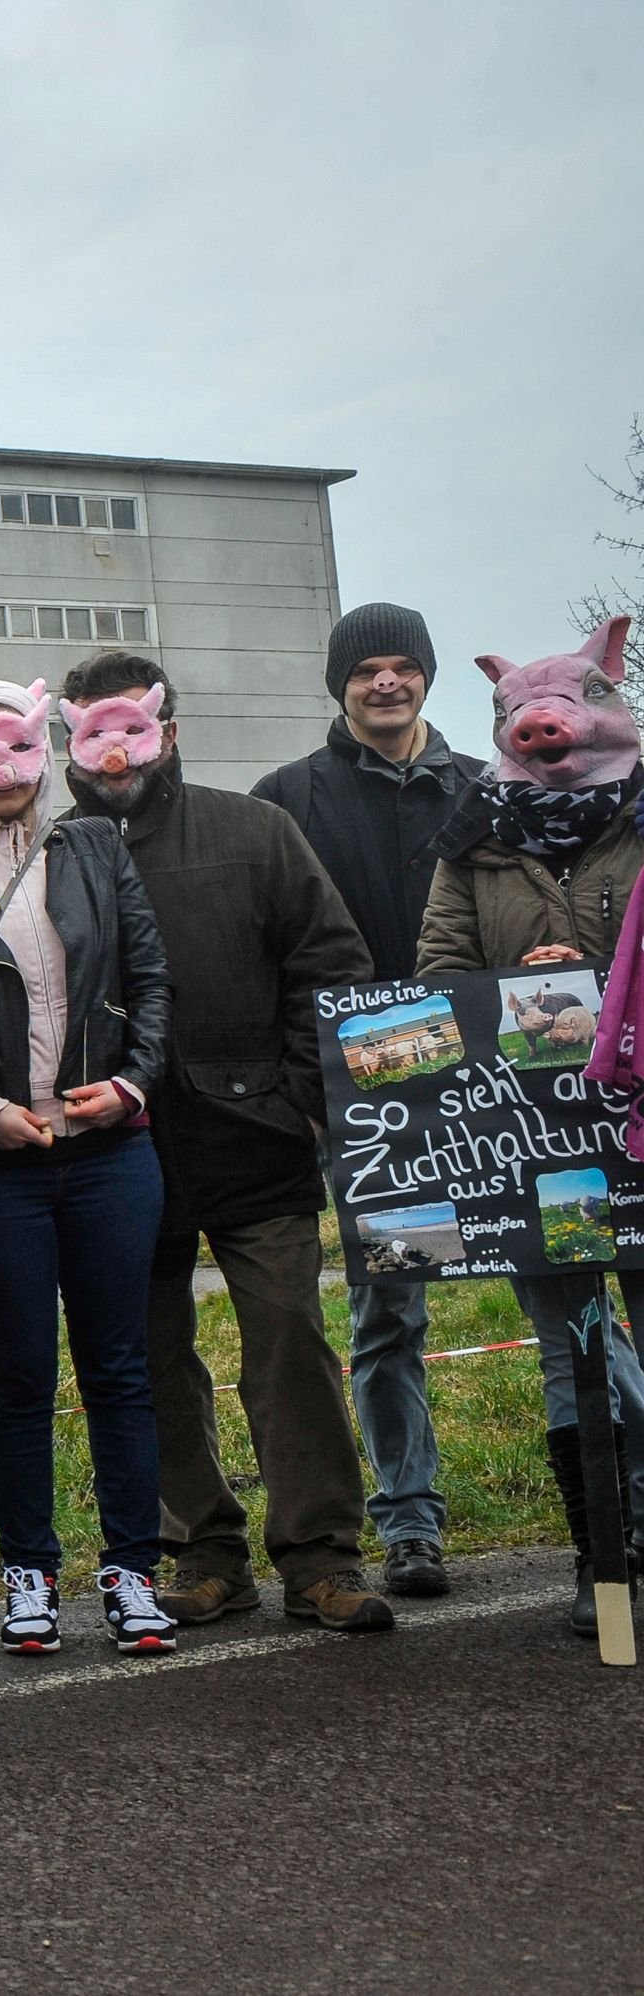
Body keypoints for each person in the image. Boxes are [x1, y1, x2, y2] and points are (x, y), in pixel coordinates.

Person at [55, 653, 392, 1634]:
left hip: (256, 1139)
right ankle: (203, 1552)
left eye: (133, 726)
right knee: (150, 1354)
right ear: (67, 737)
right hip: (112, 1152)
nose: (115, 751)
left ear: (169, 726)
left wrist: (294, 1096)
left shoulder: (256, 830)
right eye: (92, 730)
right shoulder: (49, 853)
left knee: (287, 1338)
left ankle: (324, 1553)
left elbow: (329, 966)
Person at [0, 679, 180, 1656]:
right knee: (19, 1376)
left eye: (18, 754)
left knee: (119, 1370)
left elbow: (148, 973)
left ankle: (134, 1570)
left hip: (110, 1153)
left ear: (44, 755)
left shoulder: (91, 846)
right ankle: (29, 1574)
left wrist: (134, 1085)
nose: (3, 776)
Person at [415, 614, 644, 1637]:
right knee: (570, 1350)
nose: (543, 729)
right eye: (520, 715)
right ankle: (605, 1557)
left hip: (636, 1135)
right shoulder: (474, 841)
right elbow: (438, 982)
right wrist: (517, 989)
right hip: (537, 1146)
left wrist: (598, 986)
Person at [253, 603, 485, 1598]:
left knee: (573, 1305)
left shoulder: (490, 789)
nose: (385, 683)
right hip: (379, 1107)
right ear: (338, 683)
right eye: (366, 670)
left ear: (427, 676)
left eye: (403, 667)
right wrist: (309, 1089)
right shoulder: (286, 802)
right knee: (392, 1312)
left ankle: (617, 1512)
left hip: (494, 1095)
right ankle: (410, 1522)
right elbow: (265, 952)